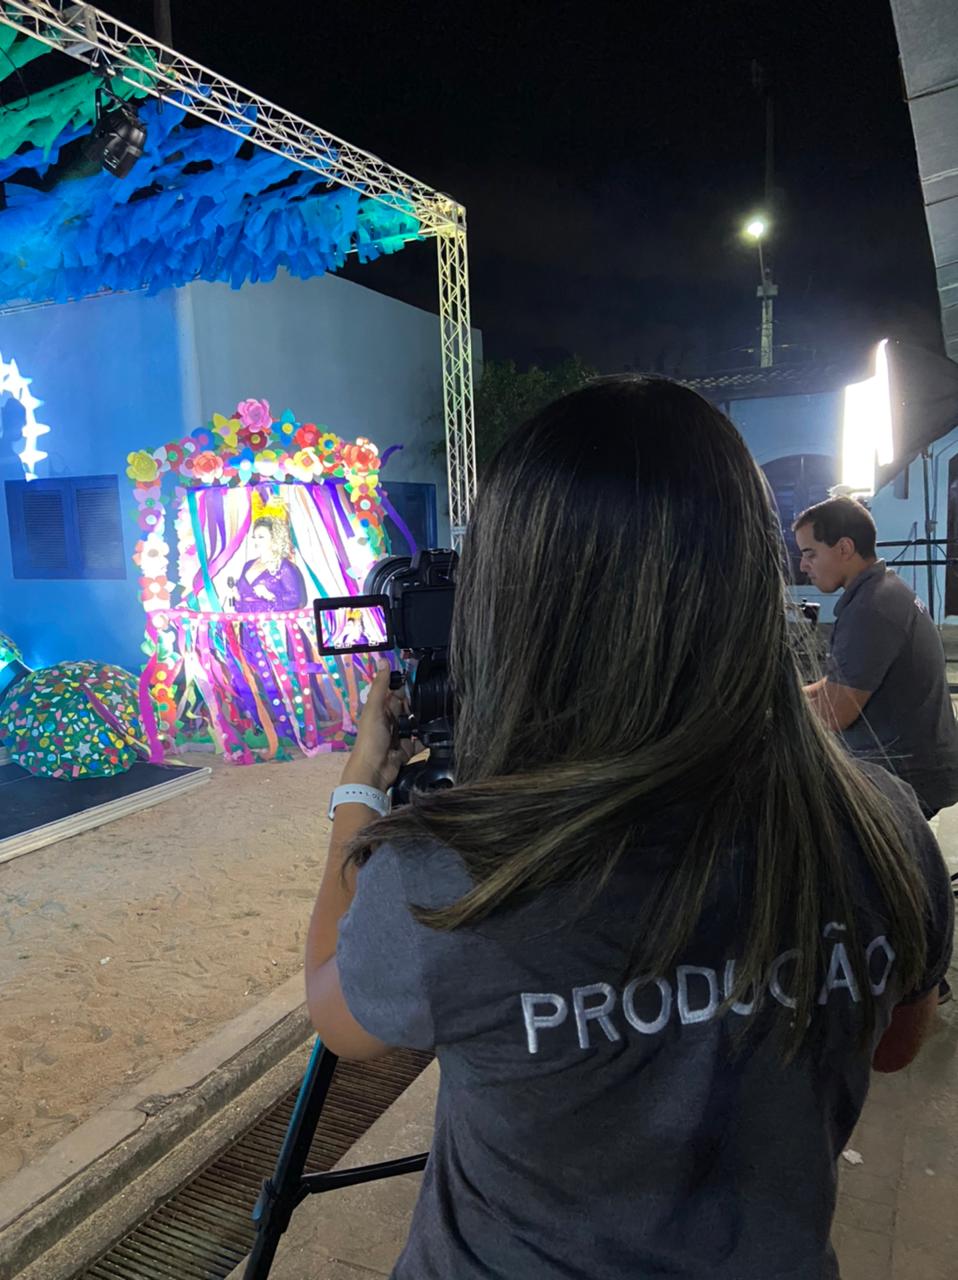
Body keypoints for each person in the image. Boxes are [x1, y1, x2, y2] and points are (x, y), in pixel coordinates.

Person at [305, 377, 953, 1280]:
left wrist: (360, 791)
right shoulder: (884, 826)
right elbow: (892, 1046)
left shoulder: (454, 873)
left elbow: (340, 1017)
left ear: (508, 610)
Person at [793, 495, 958, 821]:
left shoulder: (872, 608)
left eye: (810, 554)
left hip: (909, 777)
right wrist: (783, 695)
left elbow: (834, 714)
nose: (803, 566)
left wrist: (763, 715)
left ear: (844, 548)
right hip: (917, 762)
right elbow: (838, 685)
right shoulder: (884, 589)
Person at [234, 516, 307, 613]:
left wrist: (270, 596)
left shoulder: (284, 566)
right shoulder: (248, 565)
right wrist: (236, 597)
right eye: (254, 537)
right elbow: (240, 605)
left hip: (272, 622)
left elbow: (296, 599)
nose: (256, 541)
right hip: (248, 621)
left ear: (274, 539)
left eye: (261, 537)